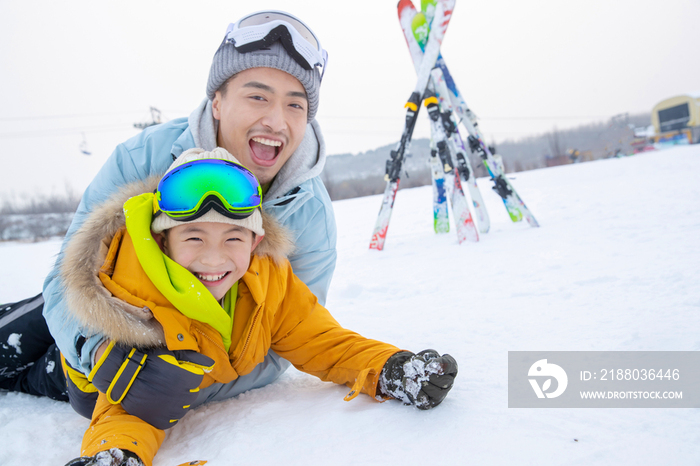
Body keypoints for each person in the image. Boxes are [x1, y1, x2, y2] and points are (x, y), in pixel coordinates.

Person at [1, 10, 336, 405]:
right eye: (258, 96)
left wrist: (179, 383)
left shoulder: (308, 213)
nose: (276, 121)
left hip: (171, 349)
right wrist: (92, 351)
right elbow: (70, 271)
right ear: (217, 102)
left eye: (295, 106)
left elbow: (285, 342)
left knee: (67, 390)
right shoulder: (146, 156)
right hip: (95, 313)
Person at [61, 148, 457, 466]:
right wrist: (115, 456)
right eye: (194, 239)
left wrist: (391, 368)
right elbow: (132, 408)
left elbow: (323, 341)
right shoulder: (138, 299)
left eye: (233, 238)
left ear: (255, 242)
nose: (214, 261)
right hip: (82, 378)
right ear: (164, 242)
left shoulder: (268, 280)